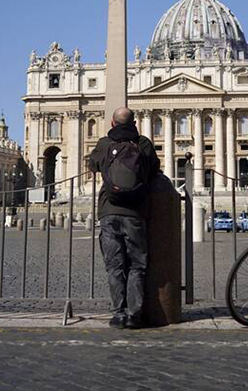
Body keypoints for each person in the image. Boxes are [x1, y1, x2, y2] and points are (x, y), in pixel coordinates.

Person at [87, 106, 159, 329]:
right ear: (134, 123)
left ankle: (117, 313)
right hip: (135, 212)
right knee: (137, 265)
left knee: (114, 265)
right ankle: (134, 315)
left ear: (112, 123)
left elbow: (92, 165)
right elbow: (155, 169)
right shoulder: (143, 143)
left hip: (109, 211)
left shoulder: (104, 144)